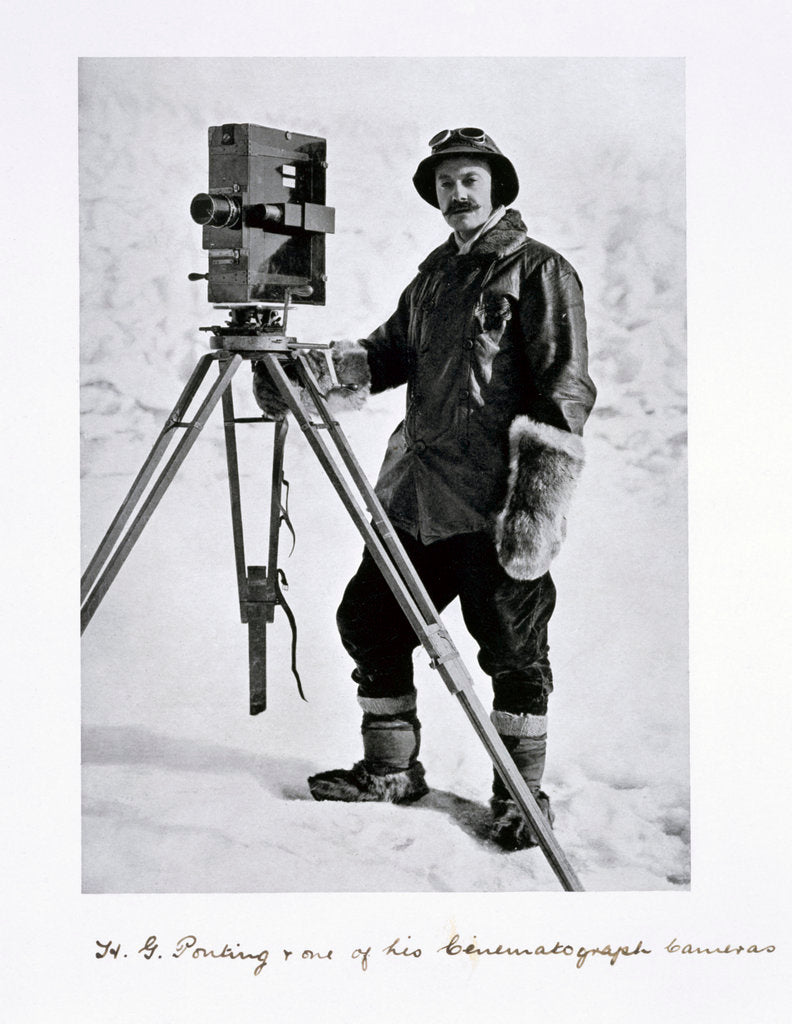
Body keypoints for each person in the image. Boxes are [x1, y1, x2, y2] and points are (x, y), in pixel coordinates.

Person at [253, 127, 596, 850]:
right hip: (416, 496)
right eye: (445, 182)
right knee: (370, 621)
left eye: (469, 179)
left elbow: (564, 391)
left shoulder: (540, 271)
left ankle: (519, 796)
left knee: (513, 651)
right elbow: (385, 355)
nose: (456, 193)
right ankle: (391, 772)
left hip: (493, 505)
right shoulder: (435, 275)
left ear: (496, 187)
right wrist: (300, 372)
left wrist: (534, 509)